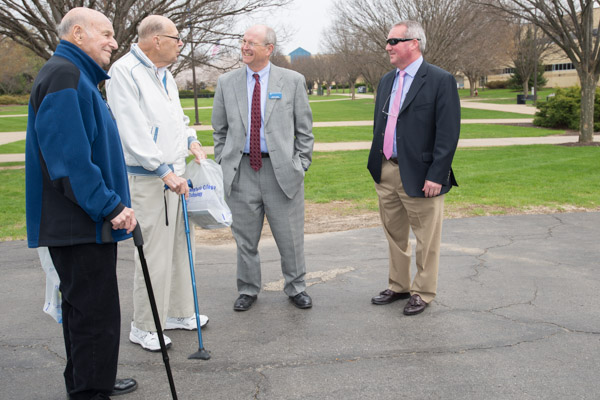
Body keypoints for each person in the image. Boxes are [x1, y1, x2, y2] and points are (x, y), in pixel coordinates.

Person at [25, 7, 138, 399]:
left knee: (84, 315)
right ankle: (91, 391)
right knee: (95, 319)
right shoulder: (65, 75)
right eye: (105, 34)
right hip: (80, 225)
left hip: (83, 224)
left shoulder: (76, 76)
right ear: (77, 33)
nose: (113, 41)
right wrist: (111, 206)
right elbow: (70, 161)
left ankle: (92, 382)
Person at [106, 15, 208, 352]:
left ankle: (177, 312)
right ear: (155, 39)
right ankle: (145, 325)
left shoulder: (166, 75)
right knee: (153, 253)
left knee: (179, 249)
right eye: (176, 38)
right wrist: (163, 171)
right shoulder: (124, 72)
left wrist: (191, 139)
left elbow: (176, 118)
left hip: (175, 177)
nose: (181, 44)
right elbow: (132, 129)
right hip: (150, 179)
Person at [212, 25, 314, 311]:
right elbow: (219, 131)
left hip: (281, 173)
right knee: (245, 240)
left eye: (252, 43)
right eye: (243, 41)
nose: (245, 47)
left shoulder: (292, 81)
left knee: (290, 237)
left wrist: (301, 164)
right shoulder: (226, 82)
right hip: (241, 171)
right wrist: (223, 160)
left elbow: (305, 131)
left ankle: (296, 287)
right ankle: (247, 289)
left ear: (269, 49)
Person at [367, 20, 460, 316]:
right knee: (394, 234)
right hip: (386, 171)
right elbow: (381, 125)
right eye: (388, 41)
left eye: (393, 41)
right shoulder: (386, 81)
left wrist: (437, 173)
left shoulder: (439, 80)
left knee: (426, 240)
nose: (387, 47)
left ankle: (423, 291)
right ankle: (398, 285)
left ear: (413, 43)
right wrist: (377, 165)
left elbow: (448, 132)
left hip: (422, 176)